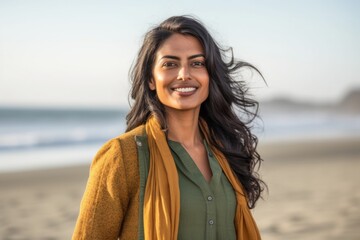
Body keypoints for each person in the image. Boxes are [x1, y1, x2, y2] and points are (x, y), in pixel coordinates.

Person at [73, 15, 265, 240]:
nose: (184, 74)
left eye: (197, 63)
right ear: (151, 79)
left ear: (210, 75)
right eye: (170, 64)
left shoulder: (225, 149)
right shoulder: (122, 156)